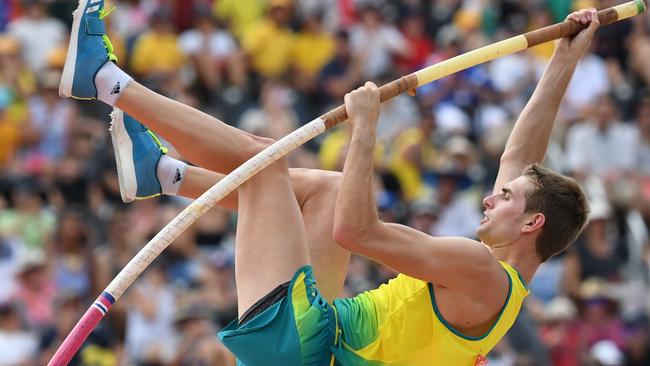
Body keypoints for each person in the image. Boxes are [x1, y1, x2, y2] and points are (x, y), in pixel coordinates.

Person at [58, 0, 595, 364]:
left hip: (306, 350)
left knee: (266, 163)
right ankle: (167, 175)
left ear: (531, 222)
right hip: (322, 333)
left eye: (504, 197)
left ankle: (105, 81)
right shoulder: (503, 285)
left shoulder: (481, 271)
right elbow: (521, 156)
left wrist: (365, 128)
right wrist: (565, 60)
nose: (489, 194)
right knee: (326, 188)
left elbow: (356, 233)